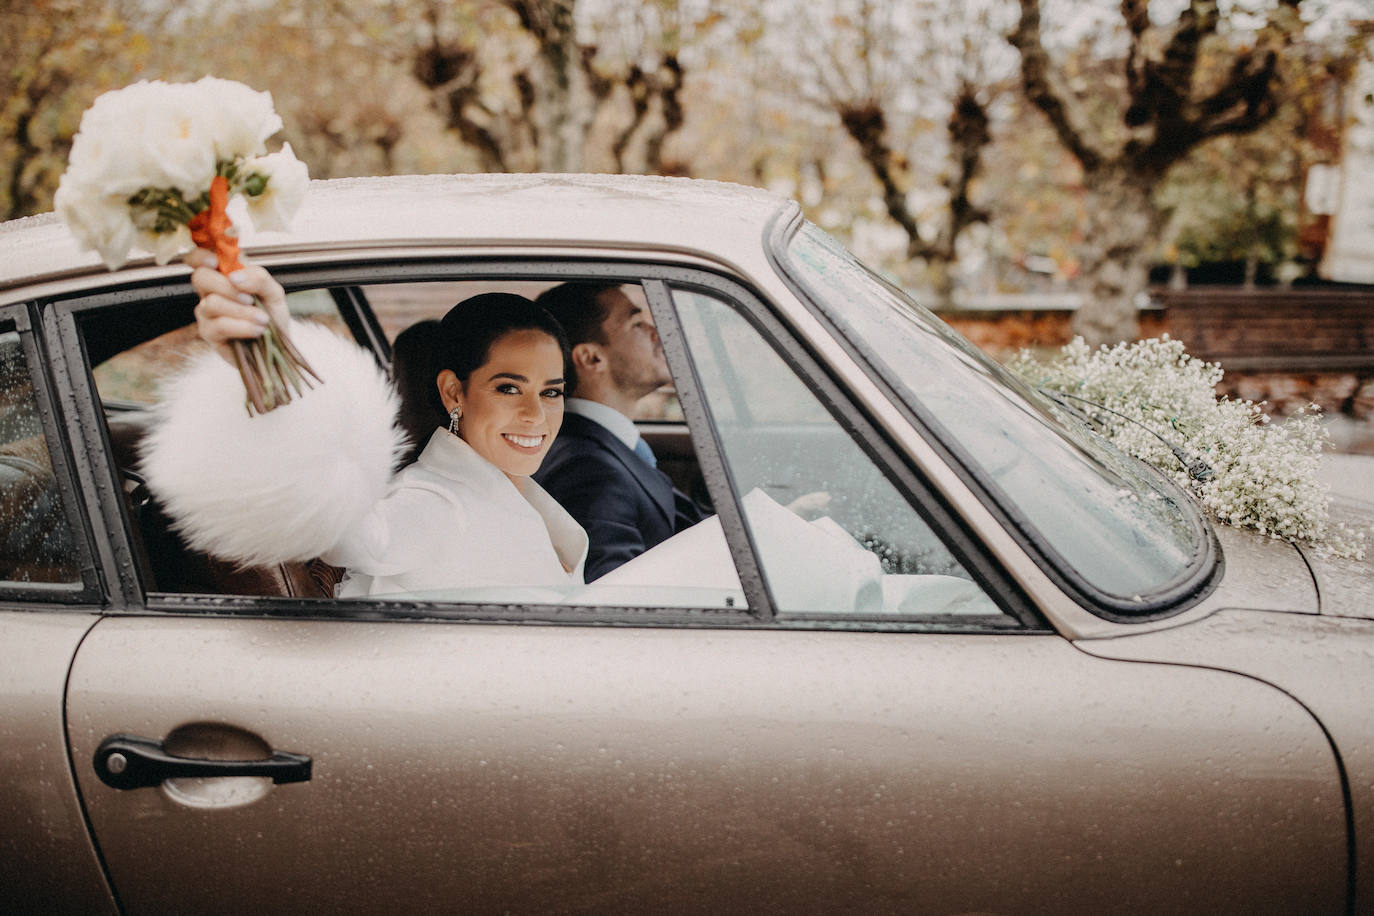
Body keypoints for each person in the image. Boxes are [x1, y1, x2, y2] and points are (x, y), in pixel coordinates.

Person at [158, 250, 588, 596]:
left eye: (551, 392)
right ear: (454, 392)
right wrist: (275, 362)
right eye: (509, 389)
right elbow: (353, 534)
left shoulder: (515, 493)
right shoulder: (435, 502)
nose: (536, 415)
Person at [533, 281, 704, 581]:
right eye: (637, 323)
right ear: (591, 358)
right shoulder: (587, 470)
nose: (656, 333)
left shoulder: (605, 448)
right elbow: (614, 593)